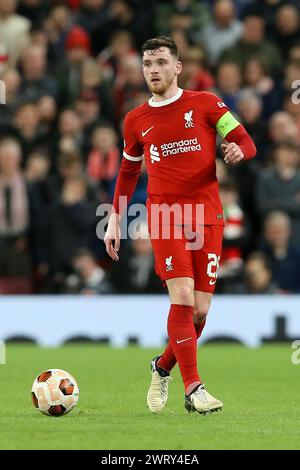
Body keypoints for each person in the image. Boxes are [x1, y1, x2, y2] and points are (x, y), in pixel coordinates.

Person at [104, 36, 256, 415]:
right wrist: (115, 219)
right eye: (147, 64)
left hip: (208, 217)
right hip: (165, 217)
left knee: (201, 311)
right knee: (183, 297)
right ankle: (195, 388)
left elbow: (244, 140)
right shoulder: (136, 119)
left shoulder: (206, 104)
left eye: (159, 62)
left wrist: (239, 150)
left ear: (177, 67)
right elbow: (127, 172)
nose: (152, 70)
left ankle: (162, 366)